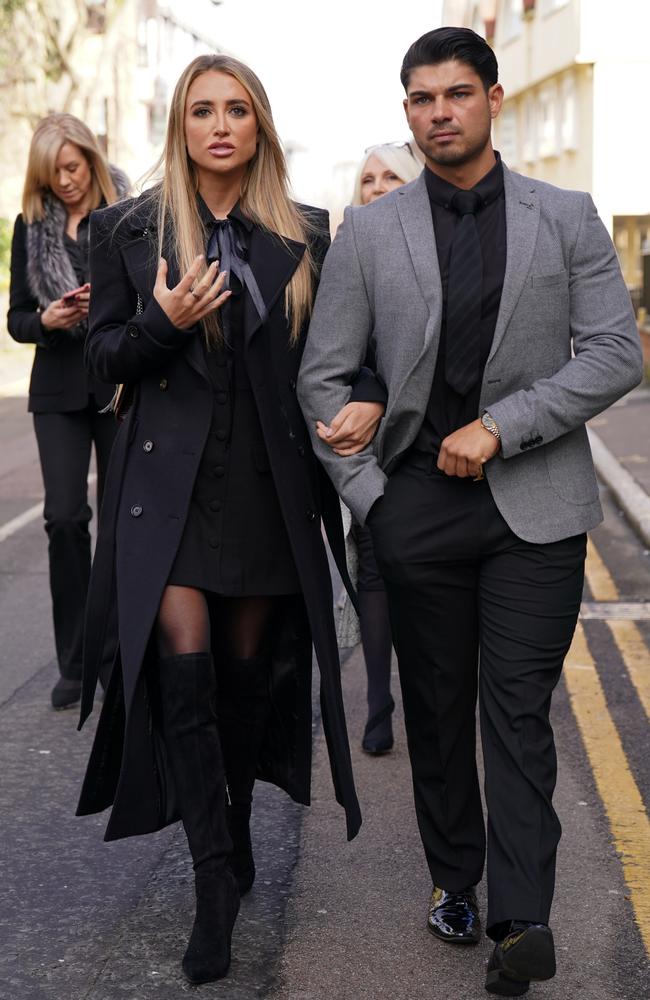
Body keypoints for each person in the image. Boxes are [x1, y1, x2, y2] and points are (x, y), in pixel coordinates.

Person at [298, 27, 643, 998]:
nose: (437, 112)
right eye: (419, 98)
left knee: (517, 709)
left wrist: (500, 424)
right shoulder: (368, 232)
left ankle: (521, 916)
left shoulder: (565, 215)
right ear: (406, 111)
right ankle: (454, 878)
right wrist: (373, 502)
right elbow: (322, 377)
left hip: (532, 503)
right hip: (414, 506)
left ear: (492, 98)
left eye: (454, 93)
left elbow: (615, 353)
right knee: (438, 710)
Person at [75, 53, 382, 986]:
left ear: (259, 127)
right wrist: (163, 322)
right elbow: (102, 359)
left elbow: (356, 356)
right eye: (202, 110)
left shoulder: (312, 235)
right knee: (187, 675)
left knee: (247, 684)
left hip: (265, 487)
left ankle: (237, 820)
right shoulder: (126, 229)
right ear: (180, 126)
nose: (219, 125)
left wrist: (367, 395)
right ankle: (214, 882)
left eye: (236, 110)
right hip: (166, 493)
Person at [7, 113, 129, 710]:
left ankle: (120, 655)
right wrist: (47, 321)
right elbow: (16, 319)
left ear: (92, 159)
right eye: (53, 173)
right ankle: (76, 662)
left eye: (73, 167)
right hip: (57, 388)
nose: (65, 181)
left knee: (120, 522)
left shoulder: (128, 216)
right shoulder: (29, 228)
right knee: (63, 519)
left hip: (117, 385)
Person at [338, 142, 422, 754]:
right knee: (373, 568)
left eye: (392, 174)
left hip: (430, 442)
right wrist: (366, 391)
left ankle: (428, 692)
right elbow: (338, 347)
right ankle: (377, 700)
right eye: (368, 178)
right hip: (368, 445)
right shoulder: (348, 247)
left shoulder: (437, 248)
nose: (377, 186)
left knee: (425, 579)